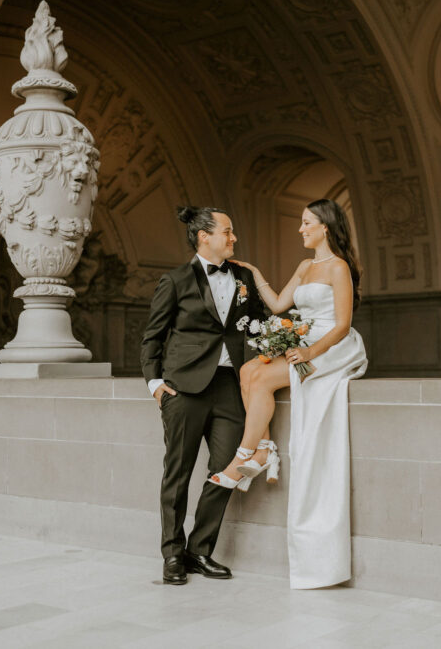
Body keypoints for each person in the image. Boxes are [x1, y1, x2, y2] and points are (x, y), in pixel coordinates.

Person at [209, 198, 368, 589]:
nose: (301, 229)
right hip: (302, 338)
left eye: (306, 222)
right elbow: (280, 304)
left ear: (325, 227)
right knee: (249, 370)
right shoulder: (304, 266)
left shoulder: (339, 268)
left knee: (260, 379)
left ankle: (247, 457)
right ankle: (262, 448)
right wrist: (256, 274)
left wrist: (310, 351)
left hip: (331, 346)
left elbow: (344, 324)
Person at [140, 206, 265, 585]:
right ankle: (173, 554)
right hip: (184, 389)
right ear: (203, 236)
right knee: (177, 474)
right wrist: (155, 385)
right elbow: (153, 336)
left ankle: (199, 551)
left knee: (228, 469)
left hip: (232, 388)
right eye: (227, 232)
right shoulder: (176, 280)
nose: (234, 238)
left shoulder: (243, 276)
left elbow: (257, 323)